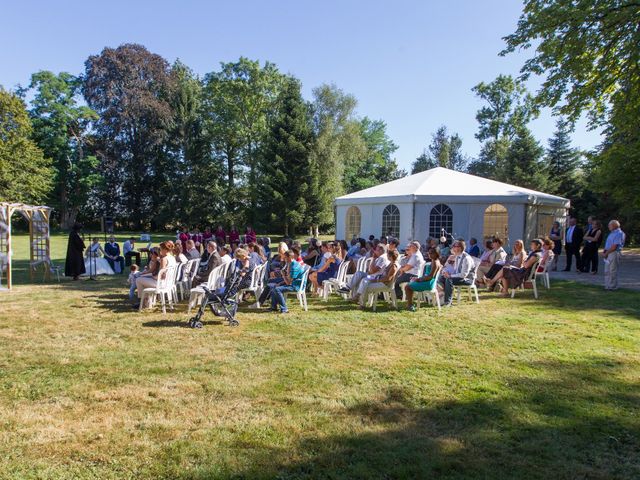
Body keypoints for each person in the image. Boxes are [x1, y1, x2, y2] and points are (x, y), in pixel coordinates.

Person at [134, 241, 176, 308]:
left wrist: (152, 276)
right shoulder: (172, 257)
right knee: (144, 278)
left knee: (138, 280)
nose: (160, 250)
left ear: (165, 249)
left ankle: (143, 302)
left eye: (161, 249)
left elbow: (161, 275)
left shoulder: (164, 259)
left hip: (161, 283)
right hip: (168, 282)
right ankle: (147, 301)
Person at [439, 240, 475, 307]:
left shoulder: (466, 258)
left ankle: (448, 302)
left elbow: (463, 275)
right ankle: (441, 298)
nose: (454, 248)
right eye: (454, 246)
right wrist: (446, 273)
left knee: (449, 280)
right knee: (441, 277)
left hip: (467, 279)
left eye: (457, 246)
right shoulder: (457, 256)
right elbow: (456, 270)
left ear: (461, 248)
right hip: (459, 277)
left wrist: (450, 276)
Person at [603, 220, 625, 291]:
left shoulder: (619, 233)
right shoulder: (612, 233)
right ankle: (607, 286)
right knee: (607, 270)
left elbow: (614, 247)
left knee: (612, 270)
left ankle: (612, 287)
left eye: (610, 225)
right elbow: (608, 244)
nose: (608, 226)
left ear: (614, 226)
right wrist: (605, 252)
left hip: (614, 253)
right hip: (609, 252)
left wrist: (606, 253)